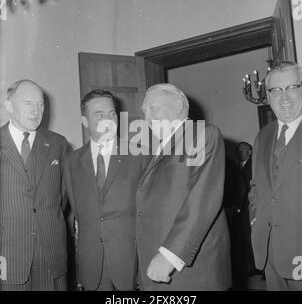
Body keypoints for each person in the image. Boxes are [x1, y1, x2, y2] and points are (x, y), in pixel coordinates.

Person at [136, 83, 232, 291]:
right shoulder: (158, 147)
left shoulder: (201, 135)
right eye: (144, 112)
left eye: (153, 108)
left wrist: (169, 255)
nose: (147, 118)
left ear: (179, 106)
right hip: (160, 268)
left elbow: (202, 200)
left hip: (188, 271)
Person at [64, 89, 147, 291]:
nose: (108, 119)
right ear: (84, 121)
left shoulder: (140, 155)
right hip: (92, 265)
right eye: (99, 114)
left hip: (131, 263)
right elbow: (76, 213)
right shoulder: (72, 161)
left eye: (111, 113)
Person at [0, 79, 69, 291]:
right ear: (9, 105)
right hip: (8, 258)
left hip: (51, 257)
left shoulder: (58, 143)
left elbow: (64, 196)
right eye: (28, 103)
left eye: (40, 104)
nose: (36, 110)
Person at [249, 61, 302, 290]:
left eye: (293, 87)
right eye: (276, 90)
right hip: (269, 251)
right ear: (267, 97)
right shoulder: (264, 135)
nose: (285, 97)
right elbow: (256, 188)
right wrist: (256, 219)